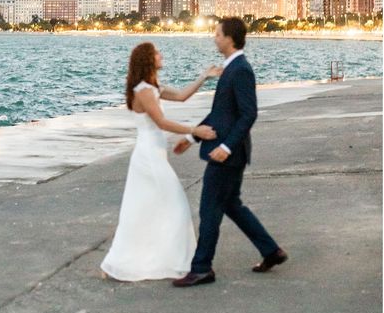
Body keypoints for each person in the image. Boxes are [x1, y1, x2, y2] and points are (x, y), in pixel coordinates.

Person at [172, 17, 288, 287]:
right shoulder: (230, 68)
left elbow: (248, 114)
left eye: (217, 33)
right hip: (227, 151)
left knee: (210, 209)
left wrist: (225, 147)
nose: (214, 37)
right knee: (232, 205)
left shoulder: (240, 70)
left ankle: (202, 267)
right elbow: (220, 114)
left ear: (230, 38)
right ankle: (271, 251)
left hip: (228, 154)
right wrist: (191, 136)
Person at [100, 42, 220, 281]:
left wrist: (204, 77)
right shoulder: (143, 91)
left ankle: (132, 260)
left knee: (145, 209)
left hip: (153, 154)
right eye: (156, 53)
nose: (161, 55)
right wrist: (195, 131)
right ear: (147, 59)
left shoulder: (152, 87)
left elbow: (183, 96)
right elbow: (162, 123)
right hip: (148, 157)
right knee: (175, 205)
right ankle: (168, 260)